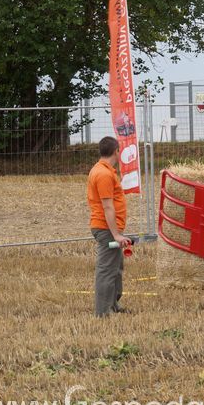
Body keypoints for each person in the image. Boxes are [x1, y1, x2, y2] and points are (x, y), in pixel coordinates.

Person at [87, 136, 131, 318]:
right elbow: (107, 206)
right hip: (107, 229)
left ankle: (113, 305)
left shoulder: (103, 170)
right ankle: (103, 312)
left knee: (116, 267)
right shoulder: (104, 174)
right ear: (116, 151)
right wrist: (116, 234)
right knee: (106, 270)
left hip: (111, 228)